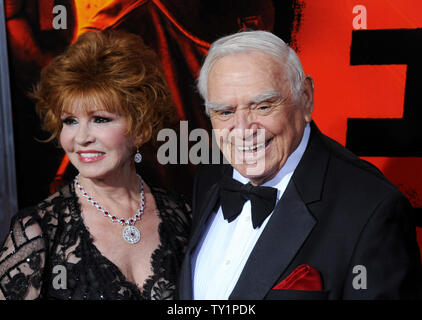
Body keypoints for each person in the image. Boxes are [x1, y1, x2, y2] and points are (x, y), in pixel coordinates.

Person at [178, 30, 422, 299]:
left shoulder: (372, 211)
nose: (243, 130)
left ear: (305, 97)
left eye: (262, 106)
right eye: (225, 112)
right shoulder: (209, 177)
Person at [0, 30, 191, 300]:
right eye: (70, 121)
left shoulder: (182, 214)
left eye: (100, 119)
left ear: (140, 127)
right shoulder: (39, 231)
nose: (81, 138)